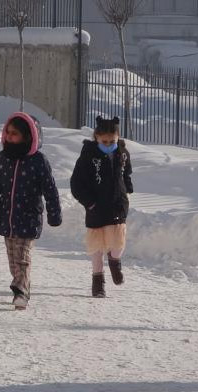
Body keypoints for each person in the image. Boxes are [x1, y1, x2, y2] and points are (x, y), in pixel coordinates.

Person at [0, 112, 62, 310]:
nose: (9, 136)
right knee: (13, 260)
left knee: (23, 257)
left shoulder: (38, 161)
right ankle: (22, 284)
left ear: (28, 136)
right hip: (7, 217)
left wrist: (54, 213)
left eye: (14, 133)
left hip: (28, 217)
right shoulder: (3, 158)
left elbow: (50, 189)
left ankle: (21, 292)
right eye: (7, 132)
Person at [70, 116, 133, 298]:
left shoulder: (122, 152)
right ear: (96, 138)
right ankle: (98, 280)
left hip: (117, 203)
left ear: (118, 137)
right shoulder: (88, 156)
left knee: (119, 239)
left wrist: (127, 187)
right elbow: (77, 183)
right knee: (97, 245)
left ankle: (115, 260)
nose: (108, 144)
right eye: (104, 141)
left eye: (112, 141)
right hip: (95, 206)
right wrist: (89, 202)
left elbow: (126, 171)